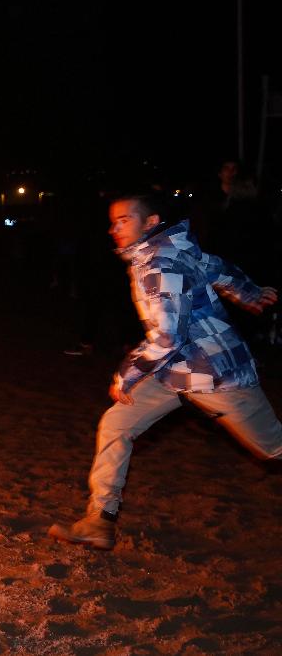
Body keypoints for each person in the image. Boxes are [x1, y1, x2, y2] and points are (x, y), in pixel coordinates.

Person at [49, 193, 280, 550]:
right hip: (175, 372)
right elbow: (217, 267)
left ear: (151, 222)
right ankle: (99, 520)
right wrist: (248, 291)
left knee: (274, 447)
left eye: (124, 220)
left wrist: (127, 372)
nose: (114, 228)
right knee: (116, 424)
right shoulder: (169, 252)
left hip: (215, 373)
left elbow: (168, 337)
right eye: (112, 221)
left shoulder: (159, 265)